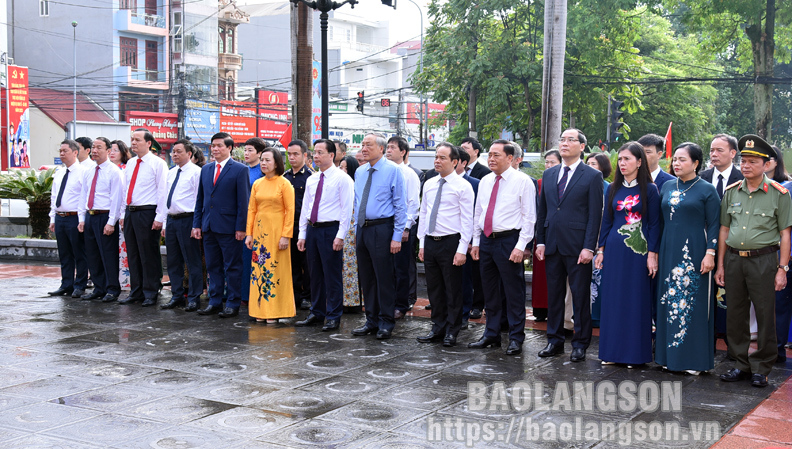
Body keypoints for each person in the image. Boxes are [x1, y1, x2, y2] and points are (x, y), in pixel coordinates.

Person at [715, 134, 792, 388]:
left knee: (764, 314)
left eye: (751, 162)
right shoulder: (731, 192)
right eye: (743, 162)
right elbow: (724, 230)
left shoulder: (779, 194)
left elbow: (784, 234)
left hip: (765, 260)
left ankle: (761, 366)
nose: (745, 166)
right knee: (735, 314)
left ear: (766, 164)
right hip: (735, 260)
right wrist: (721, 264)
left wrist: (782, 269)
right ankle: (740, 363)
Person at [536, 130, 604, 362]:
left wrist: (589, 247)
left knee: (579, 296)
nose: (565, 144)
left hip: (578, 247)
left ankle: (580, 343)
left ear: (582, 146)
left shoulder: (592, 176)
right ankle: (554, 341)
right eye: (562, 140)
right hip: (553, 244)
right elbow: (543, 210)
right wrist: (541, 240)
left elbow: (595, 216)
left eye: (570, 140)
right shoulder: (550, 173)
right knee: (554, 296)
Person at [655, 142, 720, 374]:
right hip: (667, 250)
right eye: (675, 160)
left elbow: (714, 224)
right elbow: (659, 223)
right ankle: (667, 357)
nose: (677, 163)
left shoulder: (706, 189)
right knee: (667, 301)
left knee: (693, 301)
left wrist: (710, 254)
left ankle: (693, 361)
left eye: (683, 160)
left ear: (695, 163)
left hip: (694, 252)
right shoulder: (666, 187)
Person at [595, 142, 661, 367]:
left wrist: (653, 254)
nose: (622, 163)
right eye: (620, 159)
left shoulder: (650, 190)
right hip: (614, 250)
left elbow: (654, 224)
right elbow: (606, 221)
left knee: (636, 301)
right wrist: (600, 249)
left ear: (640, 162)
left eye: (627, 159)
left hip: (639, 252)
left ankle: (634, 355)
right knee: (612, 300)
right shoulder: (612, 189)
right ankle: (611, 353)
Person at [469, 140, 536, 355]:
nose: (491, 159)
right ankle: (491, 333)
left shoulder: (523, 181)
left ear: (510, 158)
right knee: (490, 290)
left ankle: (516, 337)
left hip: (509, 241)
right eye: (489, 155)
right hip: (487, 240)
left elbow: (529, 217)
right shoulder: (486, 181)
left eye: (496, 155)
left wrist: (520, 246)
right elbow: (478, 213)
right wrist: (476, 242)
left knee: (513, 291)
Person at [417, 143, 474, 346]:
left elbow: (468, 220)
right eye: (436, 157)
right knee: (434, 289)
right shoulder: (430, 183)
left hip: (451, 242)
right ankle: (437, 328)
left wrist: (462, 249)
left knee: (452, 289)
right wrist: (422, 243)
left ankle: (452, 330)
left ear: (455, 161)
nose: (437, 161)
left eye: (442, 158)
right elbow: (423, 214)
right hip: (431, 241)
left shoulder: (463, 186)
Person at [351, 133, 407, 340]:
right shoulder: (360, 171)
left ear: (381, 149)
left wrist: (397, 236)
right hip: (363, 228)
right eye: (363, 145)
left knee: (384, 278)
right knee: (367, 277)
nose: (364, 148)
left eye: (369, 145)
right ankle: (371, 320)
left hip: (382, 228)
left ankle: (385, 322)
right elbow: (357, 202)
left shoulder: (393, 170)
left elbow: (401, 205)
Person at [295, 139, 355, 331]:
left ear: (332, 155)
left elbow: (347, 210)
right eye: (315, 152)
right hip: (313, 229)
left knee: (332, 275)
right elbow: (306, 207)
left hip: (331, 230)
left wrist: (340, 236)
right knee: (315, 274)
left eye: (321, 152)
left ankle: (333, 315)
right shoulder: (312, 179)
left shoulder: (342, 178)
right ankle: (317, 311)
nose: (316, 156)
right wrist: (302, 234)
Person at [192, 132, 250, 318]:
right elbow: (200, 199)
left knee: (232, 266)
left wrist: (241, 228)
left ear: (230, 148)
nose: (215, 149)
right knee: (213, 266)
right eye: (213, 146)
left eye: (219, 146)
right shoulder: (206, 169)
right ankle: (214, 301)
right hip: (208, 226)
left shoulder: (240, 169)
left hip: (230, 227)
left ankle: (233, 303)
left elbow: (243, 201)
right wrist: (197, 224)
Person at [700, 134, 744, 349]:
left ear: (733, 153)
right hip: (703, 246)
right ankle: (705, 340)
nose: (714, 154)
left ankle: (731, 345)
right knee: (704, 296)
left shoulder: (743, 178)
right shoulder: (701, 177)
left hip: (733, 247)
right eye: (711, 150)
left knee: (730, 298)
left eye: (719, 150)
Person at [245, 147, 296, 323]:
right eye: (262, 160)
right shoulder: (257, 184)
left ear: (276, 163)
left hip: (277, 232)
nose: (263, 163)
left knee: (275, 270)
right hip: (260, 232)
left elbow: (290, 211)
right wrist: (249, 234)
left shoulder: (284, 183)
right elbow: (251, 210)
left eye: (268, 160)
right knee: (258, 270)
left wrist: (285, 235)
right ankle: (260, 310)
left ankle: (275, 311)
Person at [120, 129, 167, 307]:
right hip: (130, 212)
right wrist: (122, 214)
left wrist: (159, 217)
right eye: (132, 139)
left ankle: (151, 291)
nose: (133, 143)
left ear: (148, 143)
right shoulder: (131, 163)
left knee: (148, 254)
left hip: (148, 212)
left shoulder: (157, 163)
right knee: (133, 253)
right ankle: (136, 291)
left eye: (137, 140)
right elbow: (125, 190)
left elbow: (162, 191)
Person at [78, 137, 125, 303]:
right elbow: (83, 195)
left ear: (108, 151)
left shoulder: (114, 171)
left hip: (105, 216)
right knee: (92, 254)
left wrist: (111, 222)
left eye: (99, 147)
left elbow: (116, 199)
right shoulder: (89, 171)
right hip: (90, 216)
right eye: (93, 147)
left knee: (108, 255)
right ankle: (99, 288)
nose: (95, 150)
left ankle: (112, 289)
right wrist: (81, 218)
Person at [160, 139, 202, 311]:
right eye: (173, 151)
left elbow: (200, 200)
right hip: (171, 220)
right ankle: (176, 296)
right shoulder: (171, 172)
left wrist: (196, 224)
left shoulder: (196, 172)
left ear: (189, 154)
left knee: (192, 260)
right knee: (173, 261)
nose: (174, 154)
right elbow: (165, 199)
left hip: (188, 219)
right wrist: (164, 222)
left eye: (178, 151)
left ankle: (193, 297)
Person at [48, 140, 88, 298]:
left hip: (74, 218)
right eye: (60, 151)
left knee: (79, 253)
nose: (62, 154)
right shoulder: (59, 172)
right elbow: (54, 197)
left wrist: (81, 219)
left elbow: (84, 198)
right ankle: (66, 284)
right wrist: (52, 218)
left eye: (65, 151)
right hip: (60, 217)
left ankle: (80, 285)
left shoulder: (83, 172)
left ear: (75, 152)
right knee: (64, 253)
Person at [386, 136, 421, 319]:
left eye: (393, 148)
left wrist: (405, 228)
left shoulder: (409, 174)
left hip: (401, 228)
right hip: (384, 226)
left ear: (403, 152)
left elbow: (413, 203)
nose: (388, 150)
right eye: (387, 147)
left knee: (401, 267)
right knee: (386, 267)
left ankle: (401, 304)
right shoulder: (384, 171)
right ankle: (387, 302)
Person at [531, 149, 562, 322]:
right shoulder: (540, 183)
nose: (548, 165)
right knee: (540, 274)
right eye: (547, 162)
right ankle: (540, 308)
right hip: (542, 233)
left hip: (560, 234)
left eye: (552, 162)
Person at [284, 140, 314, 310]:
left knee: (307, 264)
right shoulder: (285, 177)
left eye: (295, 154)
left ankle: (307, 296)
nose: (292, 157)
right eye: (289, 154)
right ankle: (294, 296)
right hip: (289, 226)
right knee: (292, 263)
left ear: (304, 155)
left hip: (306, 226)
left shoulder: (311, 176)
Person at [585, 152, 612, 328]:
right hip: (584, 237)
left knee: (600, 278)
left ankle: (601, 316)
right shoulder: (581, 184)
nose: (589, 166)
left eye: (593, 164)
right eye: (587, 163)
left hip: (603, 239)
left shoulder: (608, 188)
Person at [454, 150, 481, 323]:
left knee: (464, 279)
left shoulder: (475, 184)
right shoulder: (435, 182)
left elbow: (476, 213)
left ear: (463, 163)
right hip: (443, 237)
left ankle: (464, 314)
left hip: (465, 239)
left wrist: (472, 240)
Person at [241, 138, 266, 307]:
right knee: (242, 260)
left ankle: (257, 294)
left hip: (260, 221)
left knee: (257, 258)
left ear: (259, 153)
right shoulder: (241, 170)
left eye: (250, 150)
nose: (247, 153)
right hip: (242, 220)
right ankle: (243, 295)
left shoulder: (263, 173)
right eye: (245, 150)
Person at [339, 156, 362, 312]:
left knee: (352, 268)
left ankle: (353, 302)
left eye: (345, 168)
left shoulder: (356, 185)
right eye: (340, 167)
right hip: (340, 230)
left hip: (353, 231)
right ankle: (342, 300)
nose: (342, 171)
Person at [109, 140, 132, 291]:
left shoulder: (125, 169)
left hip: (122, 215)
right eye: (110, 149)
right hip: (108, 216)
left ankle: (125, 282)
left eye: (115, 150)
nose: (112, 152)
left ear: (123, 153)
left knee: (124, 250)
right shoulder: (106, 169)